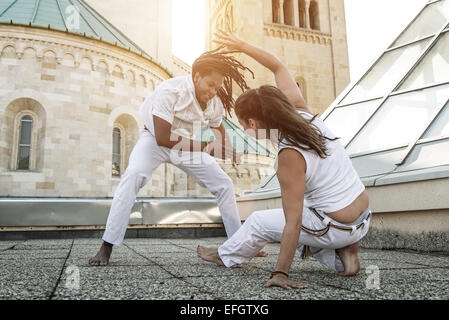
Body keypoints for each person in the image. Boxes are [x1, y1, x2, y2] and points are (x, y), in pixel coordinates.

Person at [197, 31, 371, 290]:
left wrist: (280, 273)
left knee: (258, 222)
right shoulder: (303, 114)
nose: (245, 131)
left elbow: (294, 221)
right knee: (316, 196)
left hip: (336, 226)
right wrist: (243, 45)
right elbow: (278, 65)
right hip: (363, 218)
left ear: (253, 123)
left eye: (244, 125)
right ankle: (345, 252)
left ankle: (223, 254)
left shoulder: (289, 154)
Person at [89, 49, 267, 266]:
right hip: (154, 140)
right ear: (196, 76)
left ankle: (239, 244)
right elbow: (163, 137)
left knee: (224, 184)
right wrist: (205, 147)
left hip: (187, 146)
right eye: (210, 84)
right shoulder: (170, 91)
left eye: (218, 87)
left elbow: (217, 127)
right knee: (133, 176)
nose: (213, 91)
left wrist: (229, 150)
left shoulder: (214, 102)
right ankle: (107, 245)